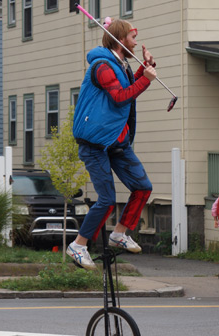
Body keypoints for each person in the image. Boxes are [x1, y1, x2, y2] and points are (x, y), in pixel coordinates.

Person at [66, 17, 157, 270]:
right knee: (106, 199)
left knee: (143, 187)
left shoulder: (122, 64)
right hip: (95, 143)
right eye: (133, 38)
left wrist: (143, 69)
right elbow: (119, 97)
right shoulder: (102, 66)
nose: (135, 42)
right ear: (120, 39)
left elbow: (127, 85)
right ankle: (78, 245)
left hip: (116, 140)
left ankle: (119, 233)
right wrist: (146, 79)